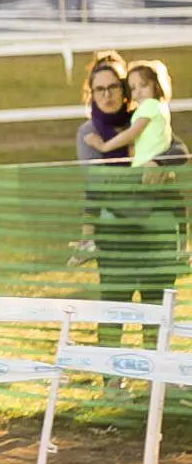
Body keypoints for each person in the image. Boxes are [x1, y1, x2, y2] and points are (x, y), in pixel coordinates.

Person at [73, 52, 188, 372]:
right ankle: (113, 384)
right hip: (116, 230)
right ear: (91, 94)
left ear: (125, 90)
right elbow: (99, 180)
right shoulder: (88, 133)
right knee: (114, 306)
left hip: (156, 229)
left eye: (113, 87)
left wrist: (161, 161)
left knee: (156, 306)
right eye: (100, 89)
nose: (107, 95)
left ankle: (156, 382)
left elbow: (178, 150)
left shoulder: (145, 119)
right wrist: (143, 176)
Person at [84, 60, 174, 167]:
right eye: (133, 88)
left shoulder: (150, 106)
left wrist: (104, 146)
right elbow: (96, 176)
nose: (107, 94)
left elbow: (132, 133)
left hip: (146, 168)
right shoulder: (88, 129)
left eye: (113, 87)